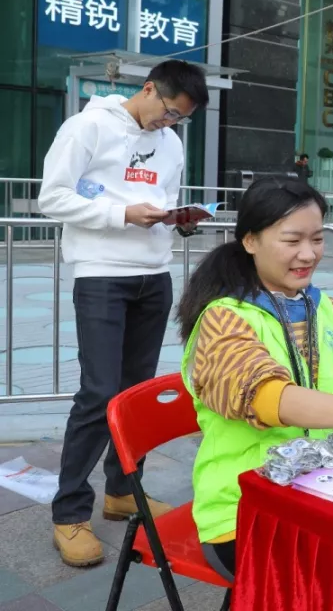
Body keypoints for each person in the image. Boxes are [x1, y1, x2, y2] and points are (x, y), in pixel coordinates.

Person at [177, 177, 333, 581]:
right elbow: (266, 397)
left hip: (325, 486)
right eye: (292, 240)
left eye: (317, 239)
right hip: (246, 504)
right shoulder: (223, 319)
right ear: (250, 241)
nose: (308, 254)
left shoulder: (330, 311)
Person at [38, 60, 210, 567]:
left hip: (154, 276)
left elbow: (162, 201)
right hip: (100, 275)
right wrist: (120, 214)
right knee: (98, 392)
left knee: (135, 393)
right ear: (149, 89)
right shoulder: (87, 127)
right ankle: (69, 513)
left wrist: (178, 221)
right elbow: (52, 198)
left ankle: (121, 491)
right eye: (169, 112)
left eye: (180, 119)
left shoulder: (171, 144)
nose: (170, 123)